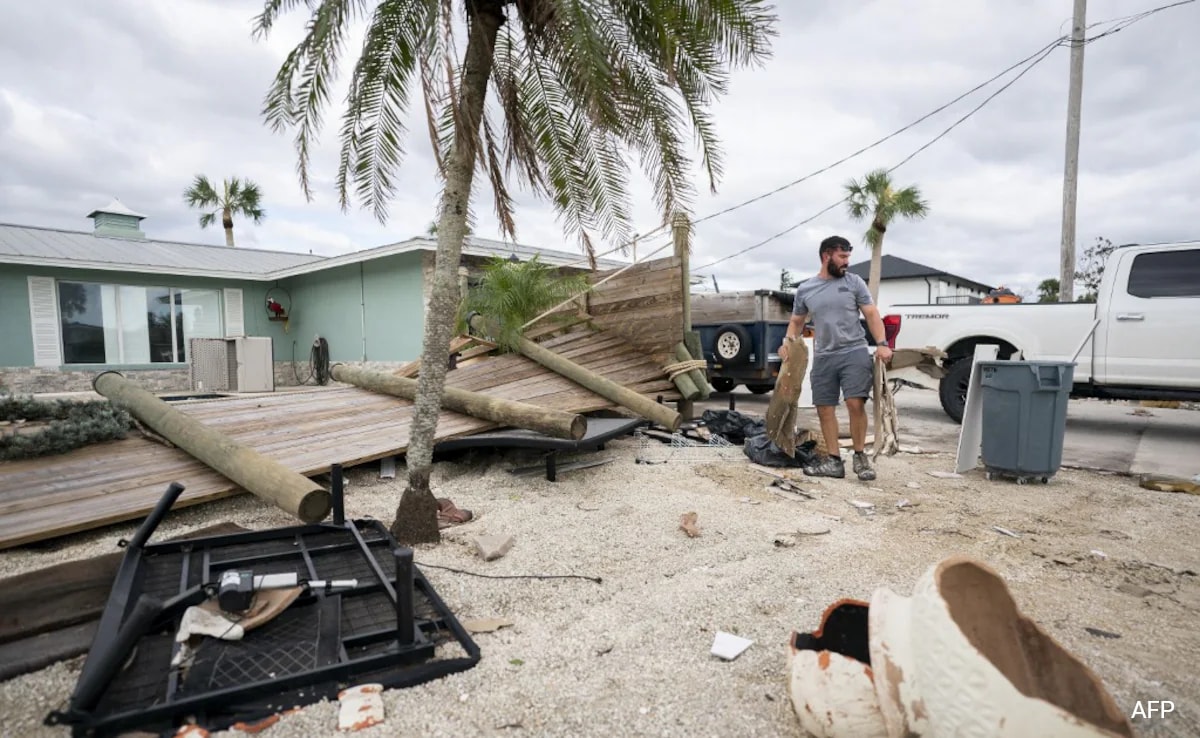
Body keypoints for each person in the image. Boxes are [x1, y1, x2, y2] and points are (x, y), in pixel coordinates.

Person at [779, 235, 893, 480]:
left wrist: (882, 344)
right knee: (824, 408)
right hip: (824, 356)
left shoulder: (854, 283)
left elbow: (872, 314)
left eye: (848, 257)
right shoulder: (806, 289)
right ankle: (833, 461)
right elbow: (797, 321)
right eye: (842, 257)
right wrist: (787, 342)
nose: (846, 262)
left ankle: (860, 457)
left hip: (854, 351)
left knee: (855, 403)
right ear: (826, 256)